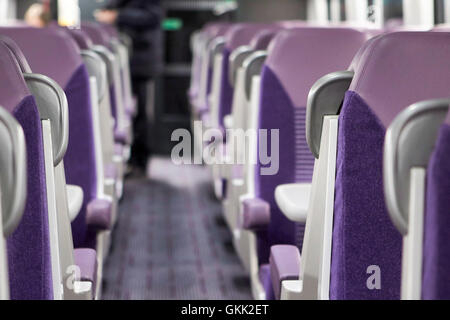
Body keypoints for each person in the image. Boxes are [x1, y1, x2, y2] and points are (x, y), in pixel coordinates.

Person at [95, 0, 163, 173]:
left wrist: (117, 16)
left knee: (139, 111)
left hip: (140, 58)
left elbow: (153, 17)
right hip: (122, 58)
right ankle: (122, 158)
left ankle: (139, 161)